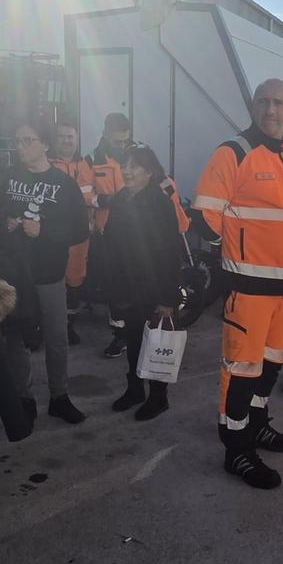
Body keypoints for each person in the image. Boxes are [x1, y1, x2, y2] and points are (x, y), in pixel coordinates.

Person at [192, 78, 283, 490]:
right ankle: (236, 449)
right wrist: (234, 257)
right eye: (263, 101)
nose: (271, 110)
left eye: (279, 102)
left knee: (270, 364)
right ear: (252, 106)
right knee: (241, 372)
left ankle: (258, 425)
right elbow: (204, 216)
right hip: (249, 289)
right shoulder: (234, 152)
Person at [0, 116, 90, 424]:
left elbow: (80, 230)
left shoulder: (64, 184)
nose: (20, 147)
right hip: (12, 273)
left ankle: (59, 396)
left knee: (56, 337)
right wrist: (4, 223)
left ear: (44, 145)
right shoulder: (4, 178)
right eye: (17, 141)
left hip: (48, 273)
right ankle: (24, 397)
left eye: (27, 141)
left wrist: (44, 231)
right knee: (16, 338)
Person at [103, 143, 182, 420]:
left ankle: (158, 397)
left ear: (149, 172)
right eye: (124, 165)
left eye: (134, 166)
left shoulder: (160, 203)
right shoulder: (120, 200)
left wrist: (168, 299)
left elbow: (172, 252)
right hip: (127, 288)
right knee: (134, 340)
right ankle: (135, 389)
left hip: (154, 289)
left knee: (156, 342)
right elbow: (111, 245)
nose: (127, 171)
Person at [88, 112, 133, 358]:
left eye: (126, 141)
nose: (122, 146)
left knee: (134, 282)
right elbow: (82, 193)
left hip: (134, 232)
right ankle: (120, 334)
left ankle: (136, 329)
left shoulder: (138, 156)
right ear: (105, 134)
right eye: (118, 142)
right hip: (105, 232)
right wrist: (102, 200)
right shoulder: (91, 161)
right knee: (114, 286)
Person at [49, 116, 96, 346]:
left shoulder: (86, 166)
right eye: (61, 137)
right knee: (51, 278)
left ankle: (69, 326)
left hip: (79, 235)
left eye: (70, 137)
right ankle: (47, 326)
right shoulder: (46, 164)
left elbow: (93, 197)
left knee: (75, 279)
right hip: (51, 234)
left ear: (77, 139)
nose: (66, 141)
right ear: (54, 140)